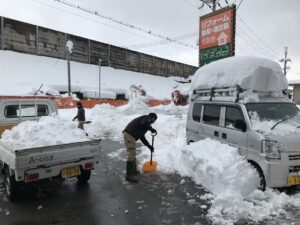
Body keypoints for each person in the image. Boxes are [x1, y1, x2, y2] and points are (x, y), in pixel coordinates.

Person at [123, 112, 157, 182]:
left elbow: (142, 137)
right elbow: (143, 123)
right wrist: (151, 129)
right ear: (152, 118)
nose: (152, 123)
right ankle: (128, 175)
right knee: (131, 153)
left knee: (133, 153)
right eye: (154, 121)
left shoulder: (144, 125)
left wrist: (149, 146)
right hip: (129, 135)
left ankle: (133, 170)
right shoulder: (146, 119)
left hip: (130, 135)